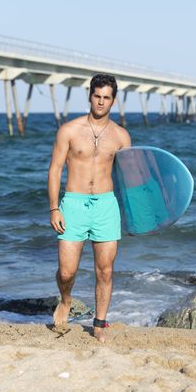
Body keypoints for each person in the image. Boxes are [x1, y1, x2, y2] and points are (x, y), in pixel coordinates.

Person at [48, 73, 131, 342]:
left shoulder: (121, 136)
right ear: (90, 96)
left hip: (106, 205)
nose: (101, 102)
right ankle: (65, 299)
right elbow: (55, 170)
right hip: (73, 203)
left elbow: (129, 179)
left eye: (107, 98)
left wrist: (140, 216)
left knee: (105, 270)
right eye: (97, 96)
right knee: (66, 271)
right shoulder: (69, 131)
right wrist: (53, 208)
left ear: (114, 101)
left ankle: (99, 322)